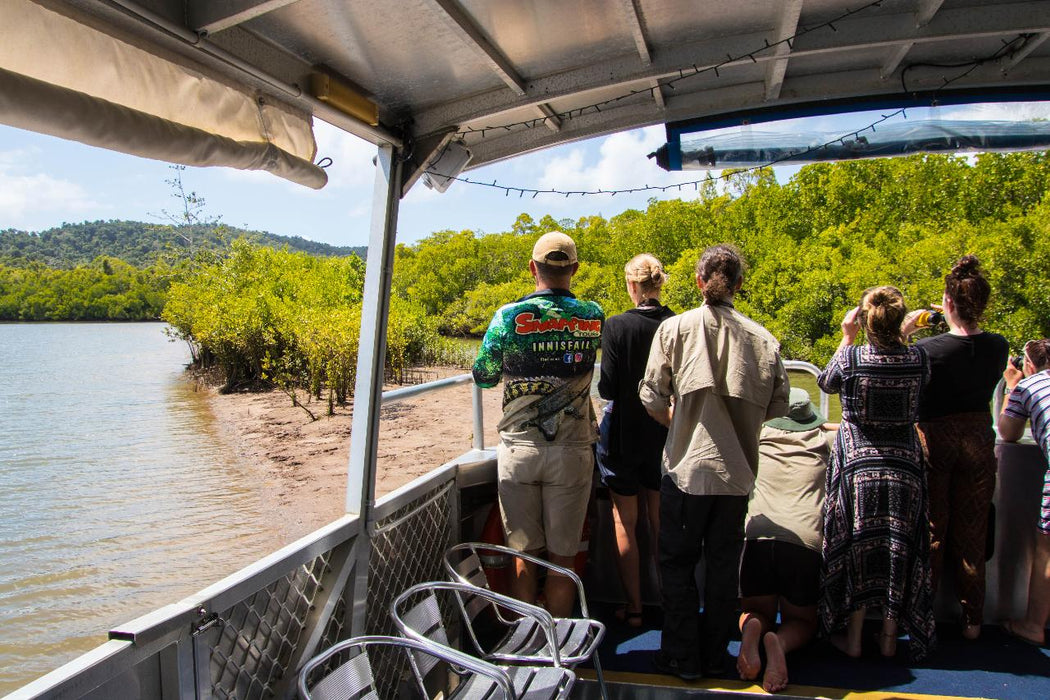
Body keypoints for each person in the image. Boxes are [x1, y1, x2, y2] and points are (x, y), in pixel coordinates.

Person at [639, 244, 790, 680]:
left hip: (685, 473)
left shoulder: (674, 329)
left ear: (699, 282)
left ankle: (681, 658)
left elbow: (651, 396)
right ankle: (712, 655)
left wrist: (680, 426)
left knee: (677, 566)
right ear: (739, 285)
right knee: (724, 572)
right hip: (737, 476)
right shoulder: (763, 340)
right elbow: (778, 406)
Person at [472, 231, 604, 618]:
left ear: (532, 268)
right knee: (563, 560)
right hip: (572, 451)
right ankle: (558, 654)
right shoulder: (592, 315)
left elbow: (483, 375)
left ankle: (527, 652)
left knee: (523, 556)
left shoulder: (508, 317)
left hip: (519, 449)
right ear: (574, 269)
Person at [818, 286, 936, 660]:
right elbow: (908, 365)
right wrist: (904, 336)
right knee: (897, 548)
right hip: (905, 469)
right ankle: (888, 638)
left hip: (858, 469)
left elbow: (825, 381)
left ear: (864, 320)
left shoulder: (851, 358)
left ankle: (852, 639)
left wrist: (846, 336)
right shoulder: (918, 359)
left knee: (858, 548)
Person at [902, 255, 1008, 640]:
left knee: (932, 528)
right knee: (973, 531)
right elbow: (971, 341)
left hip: (935, 439)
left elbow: (898, 364)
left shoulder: (929, 350)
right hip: (979, 438)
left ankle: (922, 613)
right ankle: (972, 621)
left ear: (947, 302)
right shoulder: (998, 346)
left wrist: (907, 330)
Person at [737, 388, 834, 693]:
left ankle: (753, 628)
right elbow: (845, 429)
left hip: (758, 536)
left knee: (755, 610)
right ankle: (779, 642)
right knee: (804, 621)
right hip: (802, 541)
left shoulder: (756, 438)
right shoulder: (823, 440)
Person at [597, 253, 675, 627]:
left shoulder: (615, 326)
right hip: (664, 433)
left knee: (625, 522)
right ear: (660, 284)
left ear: (631, 285)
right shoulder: (677, 325)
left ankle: (635, 610)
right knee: (661, 523)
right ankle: (671, 605)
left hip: (624, 434)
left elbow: (607, 386)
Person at [998, 338, 1050, 646]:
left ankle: (1033, 625)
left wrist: (1012, 386)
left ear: (1028, 364)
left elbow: (1008, 432)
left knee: (1046, 553)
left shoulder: (1029, 386)